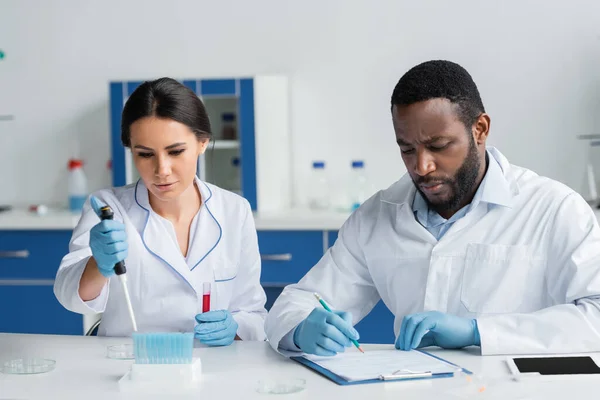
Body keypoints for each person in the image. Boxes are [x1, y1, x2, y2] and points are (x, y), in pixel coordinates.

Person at [265, 60, 600, 356]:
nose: (421, 166)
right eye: (407, 149)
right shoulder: (377, 216)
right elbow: (295, 303)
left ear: (479, 129)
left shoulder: (553, 208)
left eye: (438, 146)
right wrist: (301, 329)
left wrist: (478, 332)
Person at [55, 77, 267, 345]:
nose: (162, 170)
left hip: (211, 368)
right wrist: (99, 263)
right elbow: (71, 299)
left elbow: (253, 312)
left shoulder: (234, 211)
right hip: (129, 366)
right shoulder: (110, 209)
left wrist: (236, 326)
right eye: (145, 154)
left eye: (175, 151)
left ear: (202, 142)